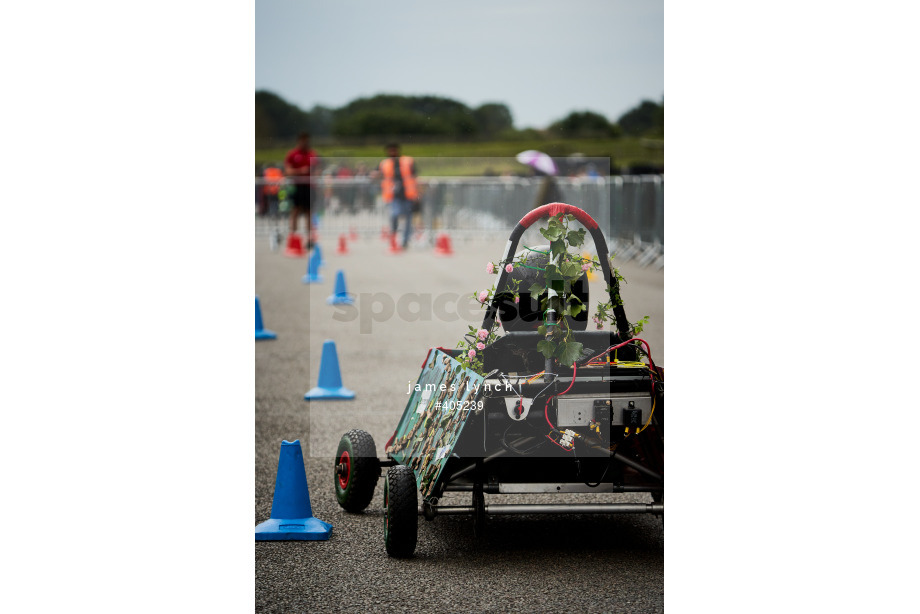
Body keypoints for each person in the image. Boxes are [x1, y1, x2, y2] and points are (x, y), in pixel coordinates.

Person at [374, 143, 418, 249]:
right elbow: (376, 173)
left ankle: (405, 240)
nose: (392, 152)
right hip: (393, 195)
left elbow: (415, 176)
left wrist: (417, 192)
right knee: (394, 215)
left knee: (408, 218)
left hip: (407, 194)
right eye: (390, 151)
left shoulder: (407, 161)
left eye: (394, 150)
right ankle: (394, 237)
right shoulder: (384, 163)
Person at [284, 132, 320, 246]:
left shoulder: (312, 154)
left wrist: (315, 173)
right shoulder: (292, 154)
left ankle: (309, 238)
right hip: (297, 186)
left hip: (310, 187)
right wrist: (301, 171)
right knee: (295, 210)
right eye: (303, 141)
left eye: (307, 141)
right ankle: (293, 236)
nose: (306, 143)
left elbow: (318, 170)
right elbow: (288, 171)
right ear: (299, 141)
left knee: (309, 212)